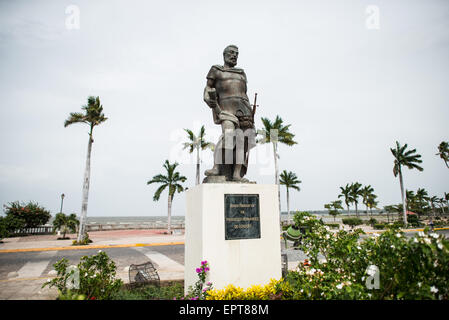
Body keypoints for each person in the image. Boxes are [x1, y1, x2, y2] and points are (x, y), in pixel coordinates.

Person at [203, 45, 256, 182]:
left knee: (241, 142)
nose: (234, 56)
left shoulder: (241, 73)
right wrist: (211, 101)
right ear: (224, 54)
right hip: (226, 111)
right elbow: (208, 89)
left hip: (244, 111)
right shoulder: (216, 70)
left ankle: (236, 174)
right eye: (232, 53)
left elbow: (244, 93)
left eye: (237, 54)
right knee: (229, 135)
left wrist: (250, 114)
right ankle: (216, 167)